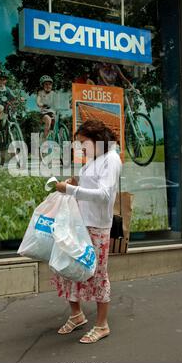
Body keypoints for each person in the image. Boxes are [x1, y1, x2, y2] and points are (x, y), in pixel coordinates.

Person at [53, 119, 122, 344]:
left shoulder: (111, 159)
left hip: (97, 226)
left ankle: (102, 325)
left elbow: (103, 194)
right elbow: (89, 186)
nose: (80, 147)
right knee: (67, 269)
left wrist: (71, 189)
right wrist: (74, 182)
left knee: (97, 275)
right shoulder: (94, 159)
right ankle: (77, 315)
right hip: (80, 224)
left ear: (96, 139)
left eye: (83, 142)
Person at [36, 75, 56, 140]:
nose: (48, 86)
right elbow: (38, 102)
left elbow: (60, 100)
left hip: (53, 113)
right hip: (44, 113)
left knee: (55, 124)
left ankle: (56, 138)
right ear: (43, 86)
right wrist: (41, 104)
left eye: (50, 84)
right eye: (46, 84)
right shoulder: (40, 93)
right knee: (48, 119)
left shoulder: (54, 93)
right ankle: (44, 139)